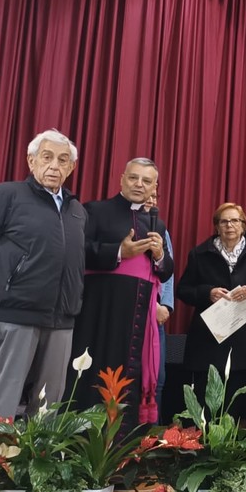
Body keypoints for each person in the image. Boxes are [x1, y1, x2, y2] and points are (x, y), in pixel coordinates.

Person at [0, 129, 86, 420]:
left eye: (62, 160)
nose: (54, 166)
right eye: (47, 157)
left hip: (61, 319)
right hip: (15, 314)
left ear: (71, 167)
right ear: (31, 160)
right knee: (5, 399)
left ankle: (42, 452)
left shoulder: (77, 210)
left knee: (48, 405)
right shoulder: (6, 195)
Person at [73, 158, 173, 427]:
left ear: (154, 186)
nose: (139, 184)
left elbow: (166, 271)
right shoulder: (95, 211)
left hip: (138, 314)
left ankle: (127, 442)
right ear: (122, 179)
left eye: (147, 181)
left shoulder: (157, 224)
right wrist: (119, 252)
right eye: (133, 178)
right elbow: (77, 251)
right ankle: (86, 439)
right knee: (95, 373)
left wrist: (160, 255)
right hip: (100, 310)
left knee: (132, 378)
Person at [176, 203, 246, 421]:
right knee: (205, 403)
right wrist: (207, 292)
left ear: (243, 225)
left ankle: (230, 442)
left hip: (243, 341)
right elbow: (183, 290)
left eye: (234, 221)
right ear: (217, 226)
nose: (229, 226)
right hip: (208, 340)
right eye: (224, 221)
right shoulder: (199, 254)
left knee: (236, 404)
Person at [143, 189, 174, 423]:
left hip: (156, 316)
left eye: (154, 196)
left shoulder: (161, 229)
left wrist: (165, 305)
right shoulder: (124, 226)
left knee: (158, 379)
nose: (151, 200)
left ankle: (152, 433)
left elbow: (168, 271)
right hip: (135, 310)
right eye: (147, 195)